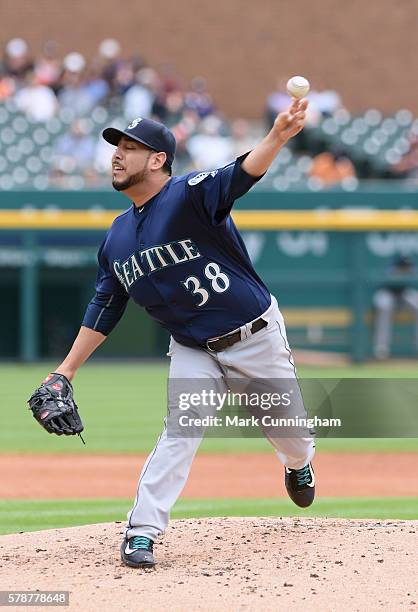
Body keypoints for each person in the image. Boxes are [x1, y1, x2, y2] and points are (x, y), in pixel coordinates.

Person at [31, 98, 315, 569]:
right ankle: (142, 532)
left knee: (291, 437)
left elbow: (240, 174)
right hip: (192, 350)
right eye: (115, 147)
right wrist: (65, 371)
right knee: (179, 433)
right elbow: (105, 305)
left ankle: (298, 464)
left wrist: (277, 137)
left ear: (158, 159)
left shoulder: (189, 196)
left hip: (255, 335)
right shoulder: (117, 237)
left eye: (129, 147)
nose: (117, 155)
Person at [373, 256, 418, 360]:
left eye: (407, 266)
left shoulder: (411, 270)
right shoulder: (391, 270)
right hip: (387, 293)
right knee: (384, 307)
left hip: (403, 294)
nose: (406, 268)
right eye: (404, 266)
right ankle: (381, 348)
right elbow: (387, 283)